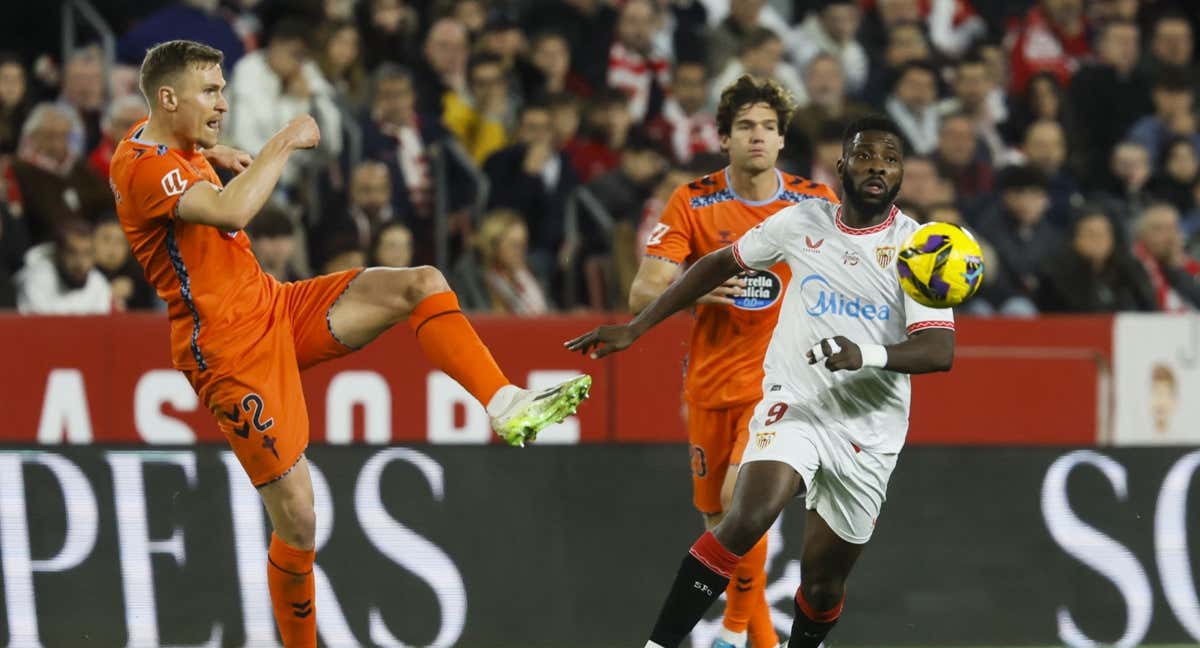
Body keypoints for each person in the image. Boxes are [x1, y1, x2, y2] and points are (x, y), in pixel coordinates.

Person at [109, 40, 591, 648]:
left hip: (274, 306)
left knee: (420, 284)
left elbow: (175, 158)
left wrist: (214, 149)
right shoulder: (146, 167)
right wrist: (281, 141)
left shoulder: (157, 142)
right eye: (211, 92)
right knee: (301, 520)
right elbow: (231, 213)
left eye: (225, 90)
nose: (224, 103)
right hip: (227, 351)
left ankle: (503, 402)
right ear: (169, 97)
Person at [568, 114, 956, 648]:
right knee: (747, 514)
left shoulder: (920, 248)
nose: (878, 168)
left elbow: (938, 351)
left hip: (869, 427)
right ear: (841, 166)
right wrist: (636, 327)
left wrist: (862, 353)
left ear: (901, 174)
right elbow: (717, 264)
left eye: (890, 160)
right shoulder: (801, 222)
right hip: (795, 402)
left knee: (823, 585)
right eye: (866, 156)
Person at [623, 75, 839, 648]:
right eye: (746, 126)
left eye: (769, 126)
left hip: (782, 384)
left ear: (783, 139)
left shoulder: (815, 203)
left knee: (742, 504)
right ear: (724, 138)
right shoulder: (692, 201)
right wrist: (694, 290)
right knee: (720, 530)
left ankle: (731, 632)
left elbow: (856, 276)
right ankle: (755, 639)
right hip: (710, 384)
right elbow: (642, 294)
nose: (758, 136)